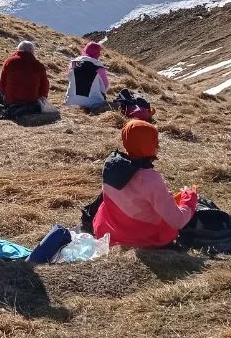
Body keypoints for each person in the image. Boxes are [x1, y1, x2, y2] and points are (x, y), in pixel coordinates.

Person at [92, 119, 198, 248]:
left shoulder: (110, 165)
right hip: (142, 238)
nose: (158, 146)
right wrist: (189, 198)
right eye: (155, 142)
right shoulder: (152, 180)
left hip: (107, 231)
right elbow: (178, 221)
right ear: (146, 145)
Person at [0, 40, 49, 116]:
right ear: (31, 50)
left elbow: (1, 84)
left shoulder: (9, 62)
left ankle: (2, 105)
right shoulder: (39, 65)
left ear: (17, 49)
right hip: (32, 102)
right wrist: (40, 101)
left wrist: (6, 95)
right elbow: (45, 87)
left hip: (12, 101)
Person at [65, 41, 109, 108]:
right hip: (94, 104)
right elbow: (105, 87)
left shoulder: (74, 63)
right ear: (98, 54)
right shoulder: (99, 68)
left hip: (70, 102)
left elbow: (69, 78)